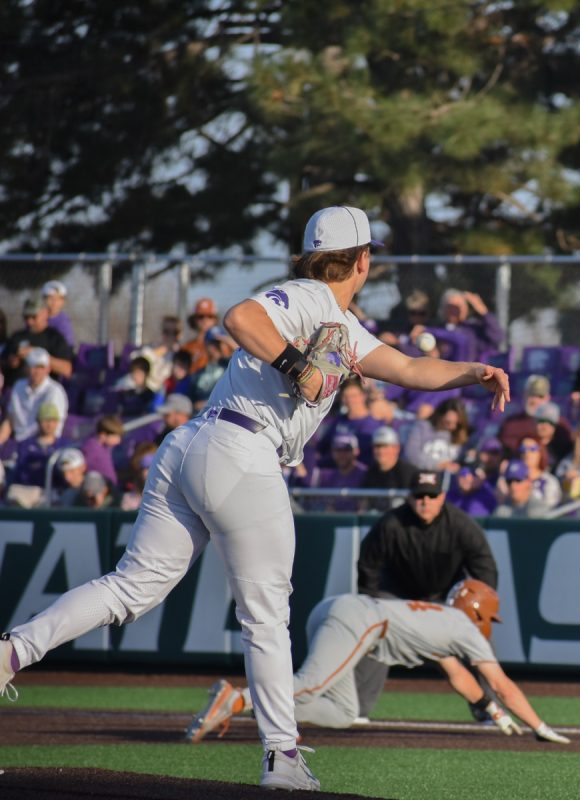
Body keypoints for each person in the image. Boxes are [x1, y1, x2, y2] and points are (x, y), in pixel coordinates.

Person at [0, 205, 510, 791]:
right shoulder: (313, 297)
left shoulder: (340, 319)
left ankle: (12, 652)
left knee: (132, 586)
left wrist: (475, 370)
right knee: (267, 616)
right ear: (364, 258)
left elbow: (409, 367)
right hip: (241, 451)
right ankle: (282, 757)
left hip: (192, 444)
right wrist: (298, 368)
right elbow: (240, 317)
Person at [184, 581, 570, 744]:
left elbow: (457, 675)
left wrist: (490, 710)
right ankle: (238, 699)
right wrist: (539, 725)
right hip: (361, 618)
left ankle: (261, 711)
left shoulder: (443, 620)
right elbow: (501, 683)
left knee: (342, 711)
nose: (489, 624)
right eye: (489, 616)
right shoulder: (463, 626)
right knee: (312, 681)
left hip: (340, 610)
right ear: (478, 609)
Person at [355, 466, 501, 716]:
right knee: (372, 630)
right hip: (398, 599)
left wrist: (479, 609)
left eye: (431, 496)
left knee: (479, 637)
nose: (425, 502)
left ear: (442, 498)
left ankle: (487, 708)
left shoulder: (460, 524)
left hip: (445, 598)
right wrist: (371, 603)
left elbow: (484, 567)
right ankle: (357, 709)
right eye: (419, 496)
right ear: (410, 497)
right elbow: (368, 565)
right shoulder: (391, 523)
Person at [0, 348, 69, 445]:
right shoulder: (18, 386)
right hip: (18, 442)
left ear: (48, 369)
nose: (37, 371)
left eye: (41, 367)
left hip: (43, 444)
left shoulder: (54, 391)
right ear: (26, 368)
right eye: (33, 366)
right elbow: (10, 420)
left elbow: (50, 428)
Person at [1, 297, 74, 385]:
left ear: (45, 313)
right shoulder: (17, 337)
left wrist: (36, 354)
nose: (29, 321)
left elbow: (67, 369)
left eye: (34, 316)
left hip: (43, 390)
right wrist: (12, 362)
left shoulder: (54, 338)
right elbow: (4, 360)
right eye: (26, 317)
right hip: (16, 387)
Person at [498, 374, 572, 458]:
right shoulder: (511, 424)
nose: (535, 400)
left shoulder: (560, 424)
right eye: (531, 395)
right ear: (524, 396)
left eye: (540, 396)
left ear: (548, 398)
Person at [434, 289, 504, 362]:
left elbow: (498, 337)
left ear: (466, 309)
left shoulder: (474, 329)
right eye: (450, 307)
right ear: (443, 309)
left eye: (458, 307)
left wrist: (484, 313)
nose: (454, 310)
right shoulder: (435, 329)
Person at [403, 397, 470, 472]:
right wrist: (439, 466)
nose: (452, 427)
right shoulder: (422, 427)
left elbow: (461, 460)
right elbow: (411, 455)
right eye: (448, 422)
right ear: (439, 415)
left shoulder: (458, 434)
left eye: (457, 424)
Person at [78, 415, 123, 487]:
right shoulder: (91, 448)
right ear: (103, 435)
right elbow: (83, 469)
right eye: (115, 436)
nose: (118, 441)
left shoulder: (105, 447)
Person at [180, 297, 219, 375]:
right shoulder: (187, 347)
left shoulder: (222, 346)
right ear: (194, 319)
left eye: (209, 316)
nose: (205, 320)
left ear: (215, 319)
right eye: (201, 316)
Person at [41, 280, 75, 347]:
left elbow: (67, 345)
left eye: (58, 299)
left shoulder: (64, 321)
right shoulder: (37, 318)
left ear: (63, 301)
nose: (54, 302)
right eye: (50, 298)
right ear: (44, 299)